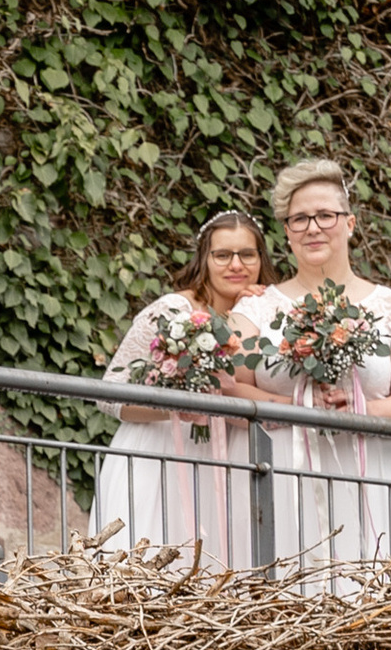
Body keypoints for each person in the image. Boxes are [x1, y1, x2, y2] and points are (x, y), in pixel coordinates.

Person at [236, 158, 391, 583]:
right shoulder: (256, 308)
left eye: (325, 215)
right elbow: (231, 386)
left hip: (374, 471)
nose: (313, 228)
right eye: (299, 219)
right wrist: (291, 405)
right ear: (287, 232)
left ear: (349, 223)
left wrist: (363, 411)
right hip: (281, 475)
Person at [89, 210, 270, 568]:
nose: (236, 265)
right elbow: (109, 393)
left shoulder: (263, 314)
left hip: (223, 459)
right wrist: (174, 408)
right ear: (204, 259)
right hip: (156, 454)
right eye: (223, 255)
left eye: (247, 254)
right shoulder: (173, 310)